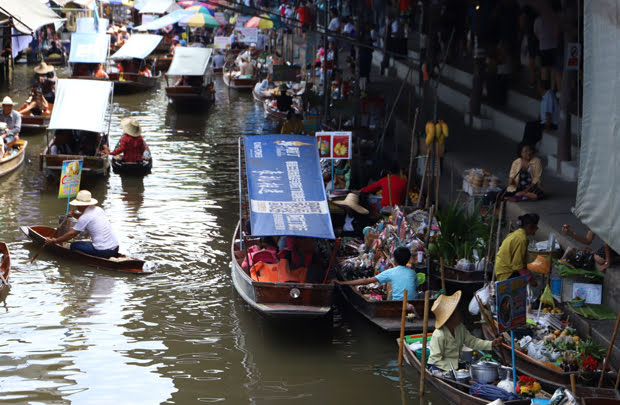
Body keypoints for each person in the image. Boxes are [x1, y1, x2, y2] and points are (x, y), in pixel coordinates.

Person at [427, 291, 503, 372]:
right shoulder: (439, 335)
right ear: (450, 317)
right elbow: (436, 360)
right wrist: (453, 372)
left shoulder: (460, 328)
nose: (460, 314)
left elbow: (472, 342)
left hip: (456, 364)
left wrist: (491, 344)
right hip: (440, 367)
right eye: (456, 312)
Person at [44, 190, 120, 259]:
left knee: (74, 245)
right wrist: (74, 215)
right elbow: (85, 218)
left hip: (104, 251)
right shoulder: (98, 209)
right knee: (86, 242)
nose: (77, 206)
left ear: (82, 205)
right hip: (115, 248)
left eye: (78, 205)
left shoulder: (85, 217)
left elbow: (72, 234)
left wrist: (55, 240)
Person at [336, 246, 418, 301]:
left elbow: (366, 281)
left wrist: (343, 283)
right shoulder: (413, 273)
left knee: (390, 287)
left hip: (397, 303)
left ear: (395, 260)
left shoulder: (391, 272)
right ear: (408, 260)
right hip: (413, 303)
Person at [494, 213, 540, 283]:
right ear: (529, 227)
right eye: (536, 227)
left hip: (501, 269)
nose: (537, 229)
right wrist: (530, 279)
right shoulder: (522, 239)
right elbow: (517, 266)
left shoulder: (517, 234)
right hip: (506, 273)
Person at [521, 80, 558, 147]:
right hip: (544, 122)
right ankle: (525, 145)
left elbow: (548, 113)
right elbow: (542, 112)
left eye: (538, 86)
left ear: (541, 88)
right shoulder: (546, 95)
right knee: (529, 125)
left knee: (531, 127)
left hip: (551, 124)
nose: (537, 88)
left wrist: (547, 127)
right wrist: (538, 121)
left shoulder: (549, 96)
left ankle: (528, 146)